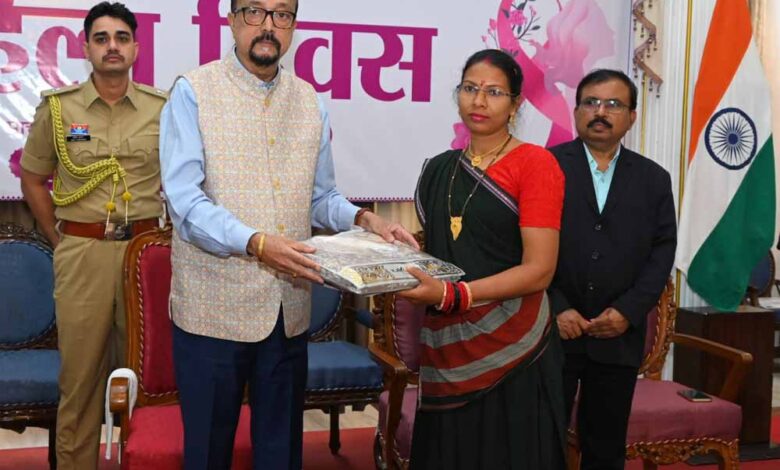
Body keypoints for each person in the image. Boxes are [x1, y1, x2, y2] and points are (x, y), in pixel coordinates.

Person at [159, 1, 417, 468]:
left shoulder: (310, 101)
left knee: (281, 453)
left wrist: (366, 220)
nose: (268, 26)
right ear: (232, 19)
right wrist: (256, 243)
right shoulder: (193, 92)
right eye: (255, 12)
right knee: (208, 453)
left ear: (293, 26)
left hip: (287, 313)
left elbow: (320, 198)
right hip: (212, 312)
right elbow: (185, 204)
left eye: (281, 15)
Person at [398, 48, 567, 470]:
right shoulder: (438, 169)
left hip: (513, 345)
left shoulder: (536, 164)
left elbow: (540, 270)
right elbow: (439, 251)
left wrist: (456, 295)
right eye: (470, 88)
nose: (479, 100)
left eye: (494, 92)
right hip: (446, 348)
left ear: (515, 104)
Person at [19, 2, 167, 468]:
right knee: (80, 383)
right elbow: (32, 177)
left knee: (151, 381)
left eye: (121, 38)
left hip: (146, 259)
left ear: (136, 48)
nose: (112, 47)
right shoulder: (60, 109)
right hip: (83, 254)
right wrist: (59, 238)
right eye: (101, 38)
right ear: (86, 48)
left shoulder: (163, 109)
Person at [548, 69, 677, 470]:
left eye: (613, 104)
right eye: (591, 102)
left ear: (632, 116)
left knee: (605, 447)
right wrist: (555, 306)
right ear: (576, 111)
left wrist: (627, 311)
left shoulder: (653, 179)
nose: (600, 112)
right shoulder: (545, 166)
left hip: (617, 335)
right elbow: (521, 246)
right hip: (551, 333)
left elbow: (662, 253)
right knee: (542, 441)